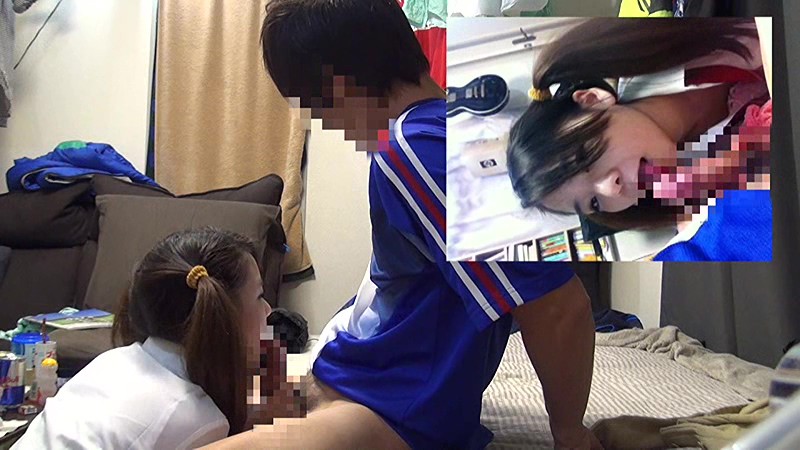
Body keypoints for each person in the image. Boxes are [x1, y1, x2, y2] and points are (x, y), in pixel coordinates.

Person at [205, 1, 599, 449]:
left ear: (337, 87)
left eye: (316, 107)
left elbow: (558, 307)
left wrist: (570, 433)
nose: (326, 123)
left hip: (388, 403)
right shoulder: (451, 133)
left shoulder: (417, 150)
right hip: (359, 376)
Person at [507, 18, 772, 261]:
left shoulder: (670, 42)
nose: (611, 189)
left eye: (587, 158)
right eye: (594, 203)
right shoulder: (704, 212)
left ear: (593, 100)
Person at [13, 228, 276, 450]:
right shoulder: (199, 419)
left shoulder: (112, 361)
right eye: (259, 296)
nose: (268, 310)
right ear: (220, 314)